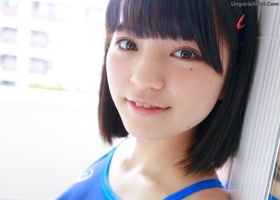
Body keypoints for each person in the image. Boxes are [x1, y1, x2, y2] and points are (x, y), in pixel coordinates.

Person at [57, 0, 258, 199]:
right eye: (128, 44)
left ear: (230, 78)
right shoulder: (122, 154)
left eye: (184, 54)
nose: (143, 79)